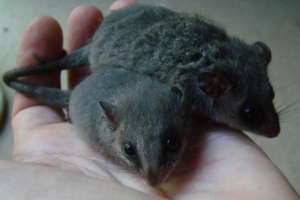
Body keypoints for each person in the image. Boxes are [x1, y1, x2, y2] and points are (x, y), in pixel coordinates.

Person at [1, 0, 299, 199]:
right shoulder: (194, 87)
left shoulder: (220, 79)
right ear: (215, 87)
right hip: (113, 47)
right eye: (250, 112)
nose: (272, 129)